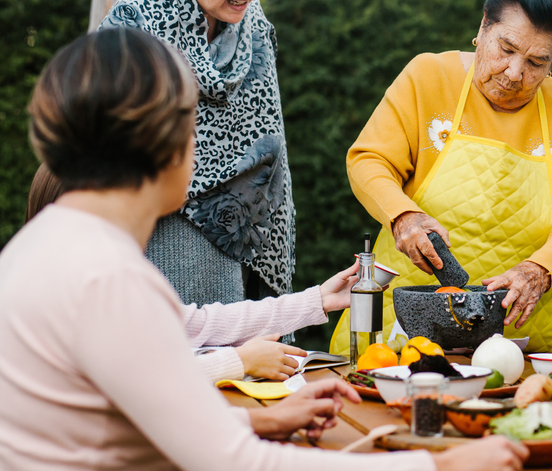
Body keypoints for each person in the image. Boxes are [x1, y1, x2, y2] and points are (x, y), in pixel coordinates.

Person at [0, 27, 527, 470]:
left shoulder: (45, 249)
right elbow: (243, 465)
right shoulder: (106, 278)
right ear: (161, 141)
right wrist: (438, 464)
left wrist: (259, 417)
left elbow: (146, 399)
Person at [331, 0, 552, 354]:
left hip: (522, 340)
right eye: (506, 49)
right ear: (483, 26)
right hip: (405, 333)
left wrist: (540, 270)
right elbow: (369, 160)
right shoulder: (428, 77)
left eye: (537, 62)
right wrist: (402, 216)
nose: (514, 73)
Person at [99, 0, 295, 306]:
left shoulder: (255, 27)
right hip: (161, 244)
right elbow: (108, 160)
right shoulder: (134, 27)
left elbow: (269, 142)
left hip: (249, 248)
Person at [24, 162, 358, 384]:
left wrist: (319, 300)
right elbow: (139, 386)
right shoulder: (64, 301)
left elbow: (200, 324)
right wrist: (240, 361)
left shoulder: (90, 284)